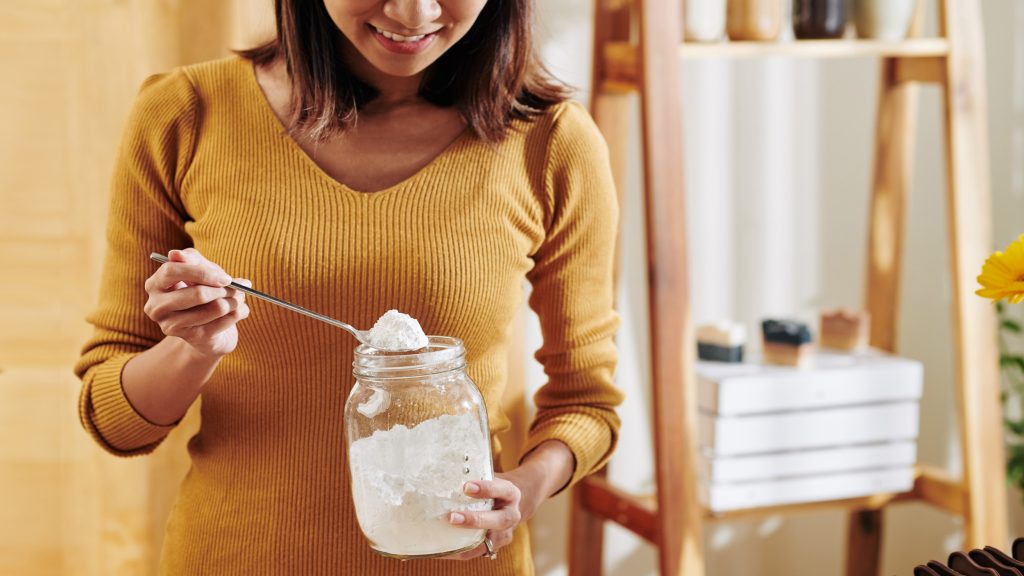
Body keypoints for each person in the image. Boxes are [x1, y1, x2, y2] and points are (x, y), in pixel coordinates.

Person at [74, 0, 623, 573]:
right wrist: (193, 348)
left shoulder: (554, 142)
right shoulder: (185, 115)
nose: (414, 13)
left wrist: (525, 490)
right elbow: (115, 424)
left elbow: (586, 403)